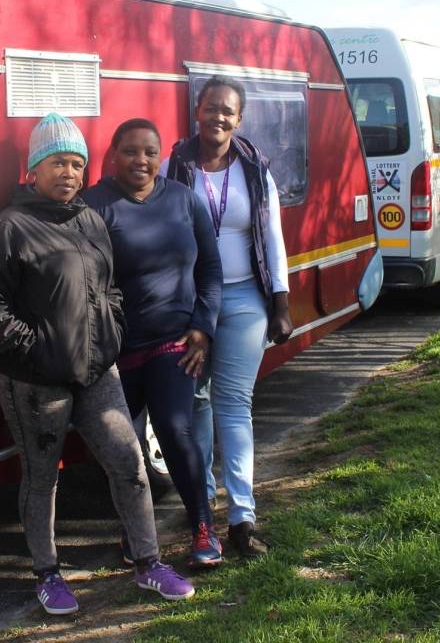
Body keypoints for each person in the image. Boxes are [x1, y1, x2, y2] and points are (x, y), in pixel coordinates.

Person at [0, 112, 195, 616]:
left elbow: (109, 287)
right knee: (42, 477)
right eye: (57, 163)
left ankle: (148, 563)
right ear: (34, 169)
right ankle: (47, 574)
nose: (69, 174)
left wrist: (110, 331)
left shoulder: (91, 219)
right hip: (33, 382)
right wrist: (39, 349)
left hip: (97, 371)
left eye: (76, 164)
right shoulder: (9, 228)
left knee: (129, 463)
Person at [83, 118, 225, 569]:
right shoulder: (94, 206)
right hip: (116, 351)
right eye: (130, 151)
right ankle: (135, 530)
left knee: (174, 428)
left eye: (149, 152)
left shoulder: (183, 200)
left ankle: (202, 525)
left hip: (174, 341)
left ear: (159, 156)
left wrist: (203, 327)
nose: (140, 160)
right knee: (123, 448)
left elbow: (211, 271)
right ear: (113, 154)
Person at [164, 76, 293, 558]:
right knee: (195, 404)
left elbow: (273, 238)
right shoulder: (174, 165)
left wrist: (280, 303)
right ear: (197, 110)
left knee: (233, 404)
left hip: (243, 301)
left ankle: (242, 517)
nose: (218, 116)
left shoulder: (256, 170)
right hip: (190, 303)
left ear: (239, 120)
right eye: (211, 107)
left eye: (228, 111)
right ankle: (203, 517)